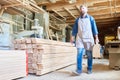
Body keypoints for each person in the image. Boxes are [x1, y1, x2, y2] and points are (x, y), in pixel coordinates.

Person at [70, 5, 99, 75]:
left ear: (87, 10)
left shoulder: (91, 18)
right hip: (80, 38)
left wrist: (96, 38)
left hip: (89, 38)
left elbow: (94, 29)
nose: (82, 10)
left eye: (83, 8)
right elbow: (74, 29)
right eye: (81, 9)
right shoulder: (77, 20)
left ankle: (89, 69)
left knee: (89, 55)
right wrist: (72, 37)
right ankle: (79, 70)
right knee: (79, 54)